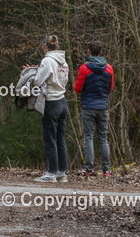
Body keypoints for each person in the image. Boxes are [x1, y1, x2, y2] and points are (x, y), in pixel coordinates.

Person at [32, 35, 69, 182]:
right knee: (60, 138)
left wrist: (33, 73)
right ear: (57, 46)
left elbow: (37, 81)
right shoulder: (64, 61)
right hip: (62, 101)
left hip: (51, 102)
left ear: (46, 47)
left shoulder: (47, 60)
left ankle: (51, 173)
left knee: (50, 139)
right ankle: (62, 172)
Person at [73, 40, 114, 176]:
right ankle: (106, 169)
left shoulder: (84, 68)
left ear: (89, 52)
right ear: (101, 52)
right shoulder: (109, 68)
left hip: (88, 106)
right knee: (103, 138)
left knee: (88, 137)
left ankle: (89, 168)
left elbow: (77, 89)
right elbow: (110, 88)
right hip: (103, 106)